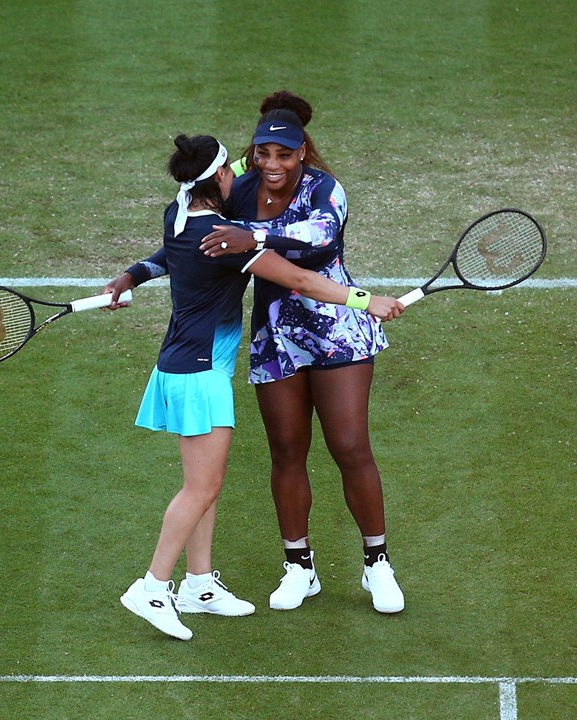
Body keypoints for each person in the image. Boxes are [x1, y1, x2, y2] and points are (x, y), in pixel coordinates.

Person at [109, 92, 407, 616]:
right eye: (262, 153)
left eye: (285, 155)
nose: (272, 164)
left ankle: (376, 563)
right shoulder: (239, 187)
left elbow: (318, 238)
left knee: (349, 445)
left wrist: (249, 234)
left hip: (337, 329)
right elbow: (193, 239)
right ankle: (299, 567)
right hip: (276, 336)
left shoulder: (326, 190)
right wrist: (139, 271)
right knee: (287, 450)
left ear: (303, 154)